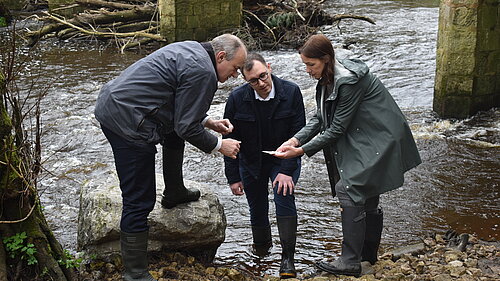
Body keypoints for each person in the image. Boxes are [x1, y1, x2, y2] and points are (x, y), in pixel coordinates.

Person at [94, 34, 247, 281]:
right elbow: (187, 127)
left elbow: (178, 103)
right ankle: (134, 274)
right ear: (220, 57)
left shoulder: (192, 49)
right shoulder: (204, 72)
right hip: (126, 120)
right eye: (235, 68)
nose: (235, 76)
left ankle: (174, 191)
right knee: (139, 200)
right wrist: (220, 145)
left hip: (116, 103)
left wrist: (208, 121)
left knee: (173, 133)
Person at [274, 34, 422, 277]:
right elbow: (320, 118)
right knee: (366, 191)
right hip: (368, 134)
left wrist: (301, 151)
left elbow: (337, 128)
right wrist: (295, 139)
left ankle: (350, 260)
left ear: (326, 59)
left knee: (349, 188)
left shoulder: (348, 81)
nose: (308, 70)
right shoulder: (327, 78)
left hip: (382, 135)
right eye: (305, 65)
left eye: (311, 65)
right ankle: (367, 255)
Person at [223, 53, 305, 279]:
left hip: (283, 159)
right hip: (251, 161)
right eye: (253, 81)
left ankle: (287, 258)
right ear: (245, 80)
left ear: (269, 68)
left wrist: (287, 171)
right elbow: (229, 141)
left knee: (283, 196)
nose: (261, 84)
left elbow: (299, 134)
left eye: (263, 76)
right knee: (257, 207)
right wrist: (233, 177)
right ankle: (261, 252)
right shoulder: (237, 99)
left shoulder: (291, 92)